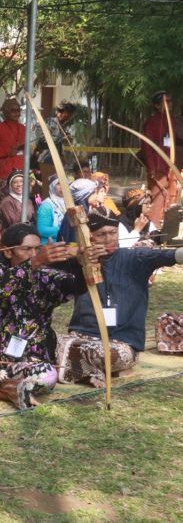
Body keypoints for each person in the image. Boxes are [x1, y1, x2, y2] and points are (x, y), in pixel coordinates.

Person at [0, 223, 101, 409]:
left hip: (30, 359)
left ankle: (6, 387)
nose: (34, 253)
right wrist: (34, 262)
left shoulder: (46, 276)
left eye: (38, 249)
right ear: (7, 252)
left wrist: (80, 262)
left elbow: (74, 286)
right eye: (27, 249)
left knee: (48, 375)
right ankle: (5, 391)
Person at [57, 211, 183, 387]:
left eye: (113, 233)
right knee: (53, 343)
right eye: (101, 234)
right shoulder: (80, 262)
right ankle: (86, 369)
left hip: (121, 343)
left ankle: (77, 367)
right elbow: (47, 268)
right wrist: (79, 256)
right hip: (82, 336)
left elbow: (170, 255)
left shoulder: (136, 257)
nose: (108, 238)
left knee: (111, 354)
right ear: (89, 238)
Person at [142, 90, 181, 226]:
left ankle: (168, 231)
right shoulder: (152, 122)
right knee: (158, 200)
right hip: (158, 169)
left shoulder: (174, 121)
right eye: (166, 102)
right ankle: (154, 230)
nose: (169, 104)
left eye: (170, 101)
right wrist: (152, 167)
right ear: (157, 106)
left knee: (172, 200)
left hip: (173, 169)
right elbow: (147, 147)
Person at [0, 98, 26, 193]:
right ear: (6, 112)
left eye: (18, 110)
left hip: (21, 173)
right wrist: (7, 151)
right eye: (13, 111)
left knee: (20, 205)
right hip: (4, 174)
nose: (17, 113)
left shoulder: (23, 128)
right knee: (4, 204)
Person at [36, 102, 76, 198]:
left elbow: (58, 145)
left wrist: (62, 156)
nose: (69, 117)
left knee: (56, 184)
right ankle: (46, 206)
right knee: (48, 184)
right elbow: (43, 138)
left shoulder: (61, 125)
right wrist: (62, 138)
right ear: (63, 113)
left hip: (56, 160)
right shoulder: (50, 122)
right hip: (47, 159)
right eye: (68, 114)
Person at [56, 178, 102, 243]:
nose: (96, 196)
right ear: (85, 195)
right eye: (94, 193)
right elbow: (73, 241)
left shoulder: (82, 212)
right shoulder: (76, 214)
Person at [36, 175, 66, 244]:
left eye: (64, 183)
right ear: (52, 187)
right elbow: (42, 230)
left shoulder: (69, 202)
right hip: (51, 246)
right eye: (58, 184)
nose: (62, 186)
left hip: (66, 245)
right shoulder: (46, 205)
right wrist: (65, 230)